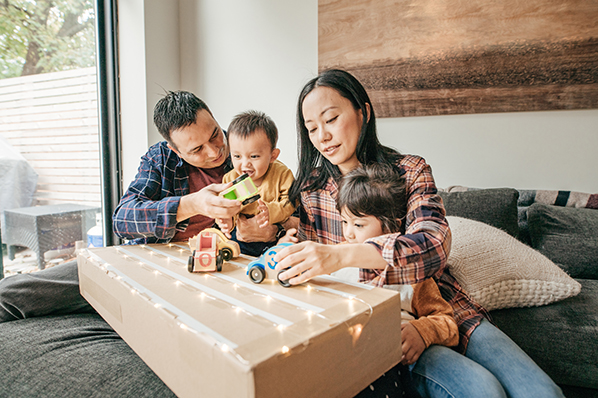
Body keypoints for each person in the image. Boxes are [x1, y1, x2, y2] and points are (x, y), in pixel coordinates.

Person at [274, 69, 564, 398]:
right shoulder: (312, 189)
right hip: (383, 327)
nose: (322, 136)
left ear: (363, 112)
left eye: (331, 119)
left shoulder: (410, 171)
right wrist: (278, 239)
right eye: (311, 128)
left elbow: (433, 244)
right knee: (484, 391)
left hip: (449, 309)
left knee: (543, 392)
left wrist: (341, 254)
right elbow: (304, 262)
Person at [0, 91, 281, 322]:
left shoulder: (244, 149)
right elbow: (122, 219)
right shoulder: (161, 159)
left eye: (214, 135)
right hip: (148, 261)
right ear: (175, 150)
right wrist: (191, 204)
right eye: (196, 150)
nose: (214, 151)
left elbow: (288, 208)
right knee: (13, 292)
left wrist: (271, 231)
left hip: (218, 267)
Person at [337, 163, 459, 374]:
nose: (348, 233)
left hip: (404, 359)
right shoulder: (336, 259)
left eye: (358, 225)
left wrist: (421, 331)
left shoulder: (411, 274)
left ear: (390, 226)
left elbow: (447, 322)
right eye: (344, 221)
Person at [216, 110, 295, 256]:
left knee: (286, 248)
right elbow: (225, 206)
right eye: (237, 156)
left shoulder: (282, 174)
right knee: (226, 247)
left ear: (273, 156)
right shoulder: (230, 179)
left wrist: (270, 211)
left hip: (272, 238)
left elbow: (290, 202)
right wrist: (226, 220)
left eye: (254, 156)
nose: (245, 164)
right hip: (240, 237)